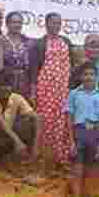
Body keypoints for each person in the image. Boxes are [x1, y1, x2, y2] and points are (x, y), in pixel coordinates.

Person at [66, 64, 99, 197]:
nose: (89, 77)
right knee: (77, 170)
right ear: (80, 77)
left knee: (91, 171)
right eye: (86, 74)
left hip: (94, 134)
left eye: (92, 74)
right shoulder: (74, 94)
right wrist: (71, 141)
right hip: (79, 133)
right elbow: (69, 118)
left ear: (97, 77)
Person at [29, 12, 74, 164]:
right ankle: (44, 155)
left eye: (58, 22)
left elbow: (72, 65)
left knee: (61, 118)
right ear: (46, 24)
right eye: (53, 22)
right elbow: (34, 68)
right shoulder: (39, 44)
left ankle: (60, 155)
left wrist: (70, 87)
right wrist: (34, 91)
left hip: (62, 87)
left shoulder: (66, 41)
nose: (56, 25)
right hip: (45, 87)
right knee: (46, 119)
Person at [0, 70, 38, 169]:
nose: (6, 89)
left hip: (7, 139)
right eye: (2, 87)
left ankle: (24, 159)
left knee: (29, 121)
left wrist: (35, 147)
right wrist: (17, 141)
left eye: (8, 86)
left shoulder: (16, 98)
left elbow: (37, 118)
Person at [2, 11, 34, 99]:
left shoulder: (28, 42)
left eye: (19, 22)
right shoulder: (0, 41)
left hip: (24, 84)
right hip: (5, 84)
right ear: (7, 24)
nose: (17, 25)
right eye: (14, 22)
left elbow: (32, 67)